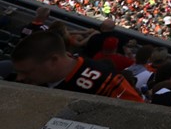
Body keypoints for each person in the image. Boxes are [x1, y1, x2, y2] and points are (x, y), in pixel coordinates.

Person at [11, 31, 143, 102]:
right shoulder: (28, 81)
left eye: (27, 72)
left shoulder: (106, 82)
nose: (19, 78)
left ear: (53, 60)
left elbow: (139, 117)